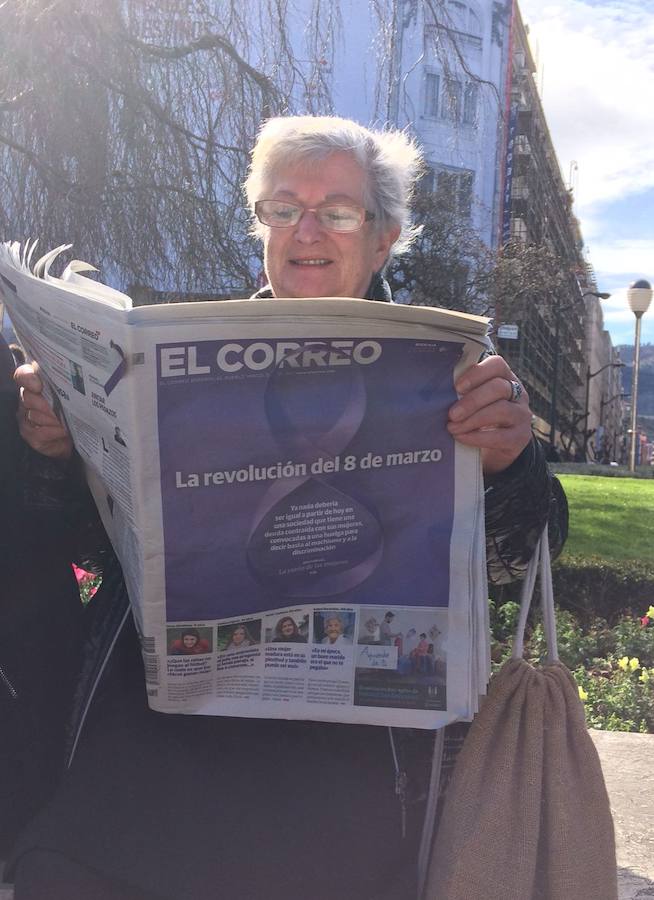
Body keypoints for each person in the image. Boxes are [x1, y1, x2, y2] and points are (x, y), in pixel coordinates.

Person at [8, 115, 567, 900]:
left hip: (350, 766)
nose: (307, 229)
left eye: (337, 210)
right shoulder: (163, 359)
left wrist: (512, 461)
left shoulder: (450, 368)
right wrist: (59, 455)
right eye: (283, 207)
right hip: (151, 750)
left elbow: (517, 560)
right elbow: (96, 550)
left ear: (384, 238)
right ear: (261, 225)